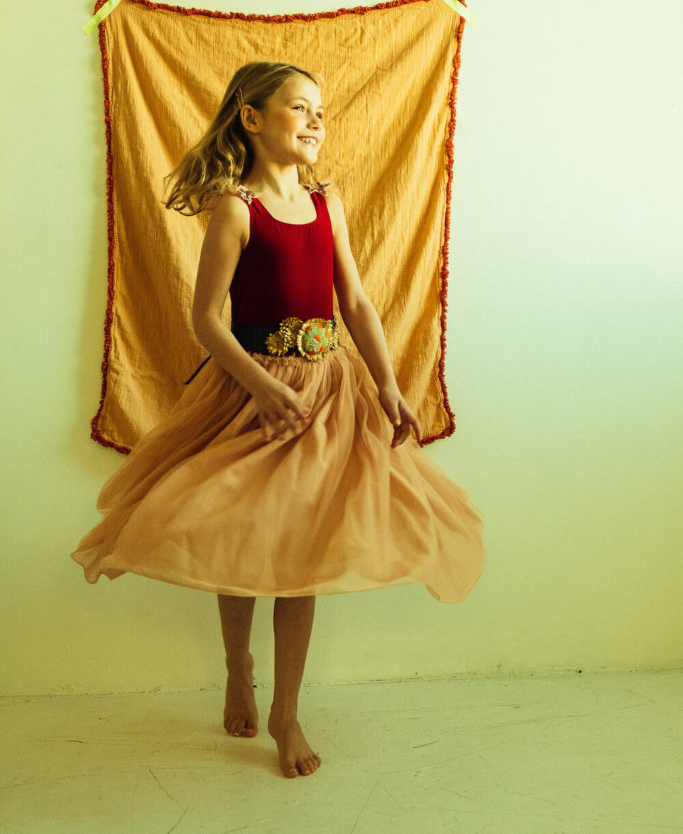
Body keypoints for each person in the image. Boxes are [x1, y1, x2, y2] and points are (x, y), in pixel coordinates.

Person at [72, 60, 485, 779]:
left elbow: (356, 302)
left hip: (329, 391)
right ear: (252, 118)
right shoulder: (236, 209)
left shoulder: (327, 202)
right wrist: (262, 386)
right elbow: (207, 319)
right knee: (241, 532)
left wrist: (389, 385)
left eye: (321, 109)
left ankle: (286, 713)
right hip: (254, 392)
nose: (316, 120)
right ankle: (239, 667)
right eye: (299, 107)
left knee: (303, 554)